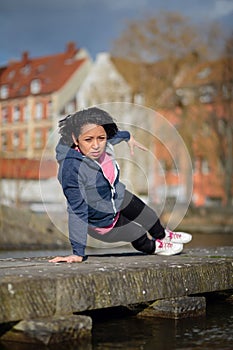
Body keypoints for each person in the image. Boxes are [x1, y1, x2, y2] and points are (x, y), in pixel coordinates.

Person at [49, 107, 192, 263]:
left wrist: (128, 137)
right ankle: (156, 247)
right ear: (75, 139)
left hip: (117, 195)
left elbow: (114, 136)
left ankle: (163, 235)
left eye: (101, 138)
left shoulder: (103, 140)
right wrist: (78, 252)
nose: (96, 146)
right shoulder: (71, 170)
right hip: (103, 221)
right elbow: (77, 211)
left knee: (148, 215)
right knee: (138, 233)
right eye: (88, 140)